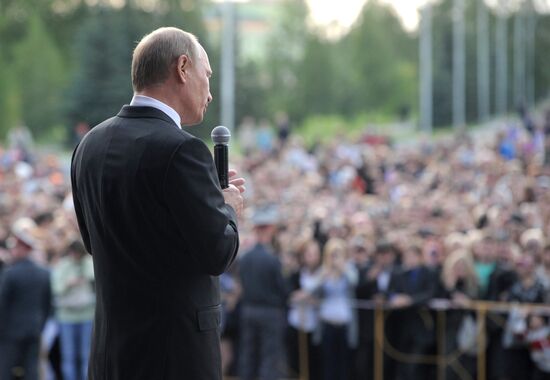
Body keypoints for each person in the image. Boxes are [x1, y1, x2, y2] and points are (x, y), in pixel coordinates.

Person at [70, 27, 245, 380]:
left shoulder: (89, 145)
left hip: (110, 354)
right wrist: (227, 207)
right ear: (182, 68)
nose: (209, 92)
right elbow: (218, 252)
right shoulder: (182, 150)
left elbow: (94, 243)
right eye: (206, 76)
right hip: (173, 357)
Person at [238, 204, 288, 380]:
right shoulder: (272, 259)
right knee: (269, 357)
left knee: (249, 355)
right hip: (270, 312)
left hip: (249, 310)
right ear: (269, 229)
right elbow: (282, 289)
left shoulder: (245, 257)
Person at [0, 217, 51, 380]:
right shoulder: (43, 273)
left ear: (22, 249)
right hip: (34, 329)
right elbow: (47, 304)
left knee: (6, 369)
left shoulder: (10, 274)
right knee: (31, 371)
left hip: (10, 331)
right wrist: (40, 324)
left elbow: (2, 304)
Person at [52, 240, 95, 380]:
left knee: (86, 355)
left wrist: (85, 266)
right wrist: (69, 284)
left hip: (86, 315)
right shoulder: (63, 266)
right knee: (68, 356)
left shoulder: (88, 263)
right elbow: (56, 289)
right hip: (67, 317)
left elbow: (94, 279)